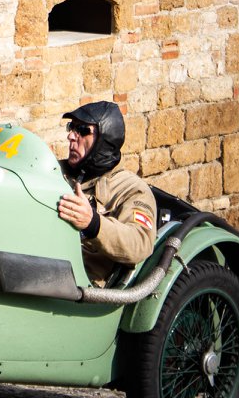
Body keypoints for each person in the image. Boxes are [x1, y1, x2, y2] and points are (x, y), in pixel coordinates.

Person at [55, 101, 160, 286]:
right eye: (72, 127)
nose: (71, 136)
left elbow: (140, 242)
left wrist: (93, 223)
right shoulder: (55, 170)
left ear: (104, 138)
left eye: (82, 130)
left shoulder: (131, 190)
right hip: (43, 259)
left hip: (81, 284)